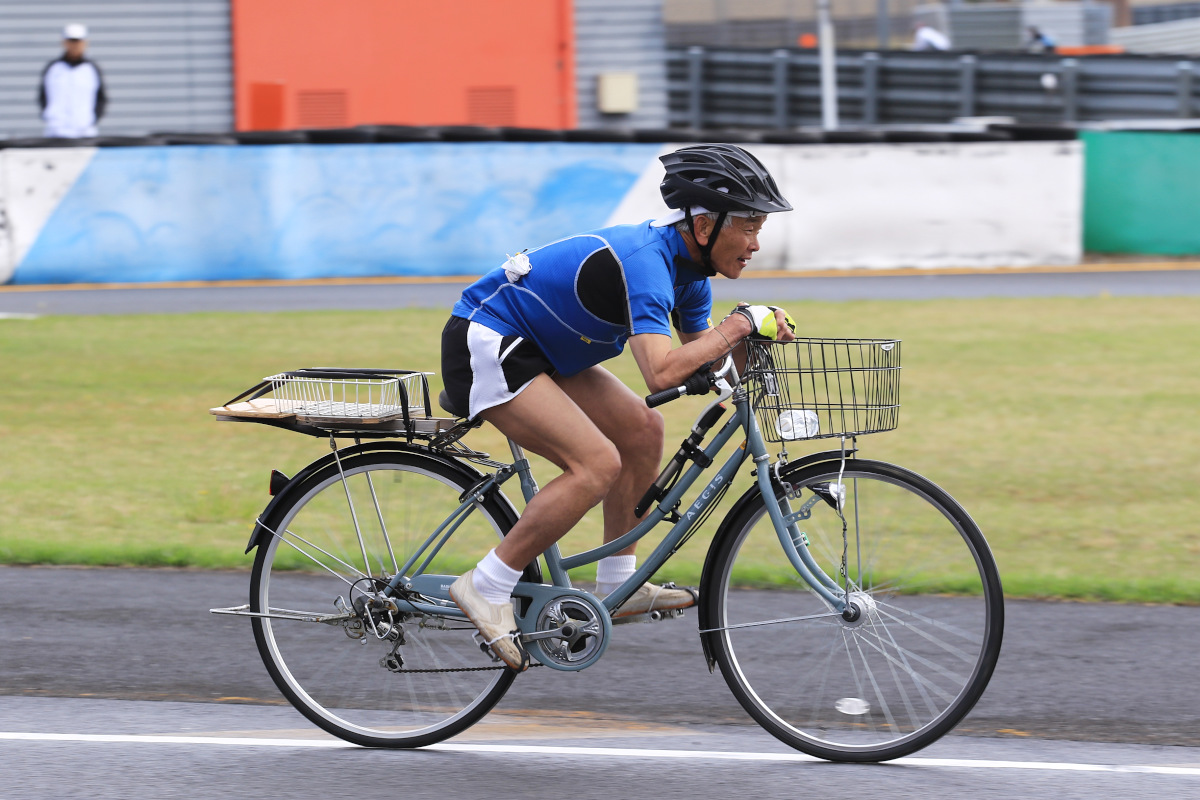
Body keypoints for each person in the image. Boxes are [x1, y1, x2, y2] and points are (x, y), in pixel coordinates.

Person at [441, 144, 796, 670]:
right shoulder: (646, 262)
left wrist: (743, 351)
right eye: (748, 227)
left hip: (545, 350)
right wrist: (739, 324)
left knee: (643, 430)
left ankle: (618, 585)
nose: (755, 244)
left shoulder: (692, 277)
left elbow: (705, 361)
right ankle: (486, 584)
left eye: (759, 229)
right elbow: (661, 370)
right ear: (703, 226)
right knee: (597, 465)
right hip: (489, 341)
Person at [39, 23, 107, 139]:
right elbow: (43, 96)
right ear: (64, 43)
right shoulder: (53, 68)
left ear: (85, 43)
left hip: (85, 133)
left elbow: (101, 98)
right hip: (55, 132)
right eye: (71, 41)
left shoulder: (91, 69)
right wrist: (50, 117)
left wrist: (91, 120)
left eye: (78, 41)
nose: (74, 45)